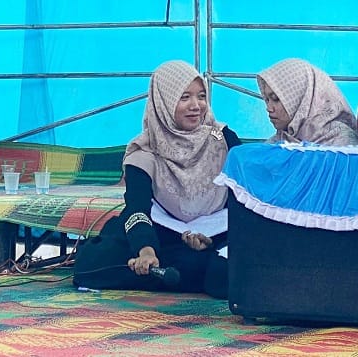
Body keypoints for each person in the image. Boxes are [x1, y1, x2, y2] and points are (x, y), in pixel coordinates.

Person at [72, 60, 239, 297]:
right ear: (164, 102)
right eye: (184, 98)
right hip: (159, 235)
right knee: (90, 265)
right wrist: (146, 251)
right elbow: (137, 207)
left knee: (212, 265)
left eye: (201, 96)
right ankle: (167, 271)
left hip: (214, 237)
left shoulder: (222, 139)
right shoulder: (145, 149)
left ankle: (175, 273)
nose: (196, 106)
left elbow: (244, 197)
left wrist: (214, 239)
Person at [256, 58, 358, 146]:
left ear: (300, 97)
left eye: (276, 99)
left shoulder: (343, 144)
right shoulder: (275, 144)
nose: (269, 108)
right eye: (267, 100)